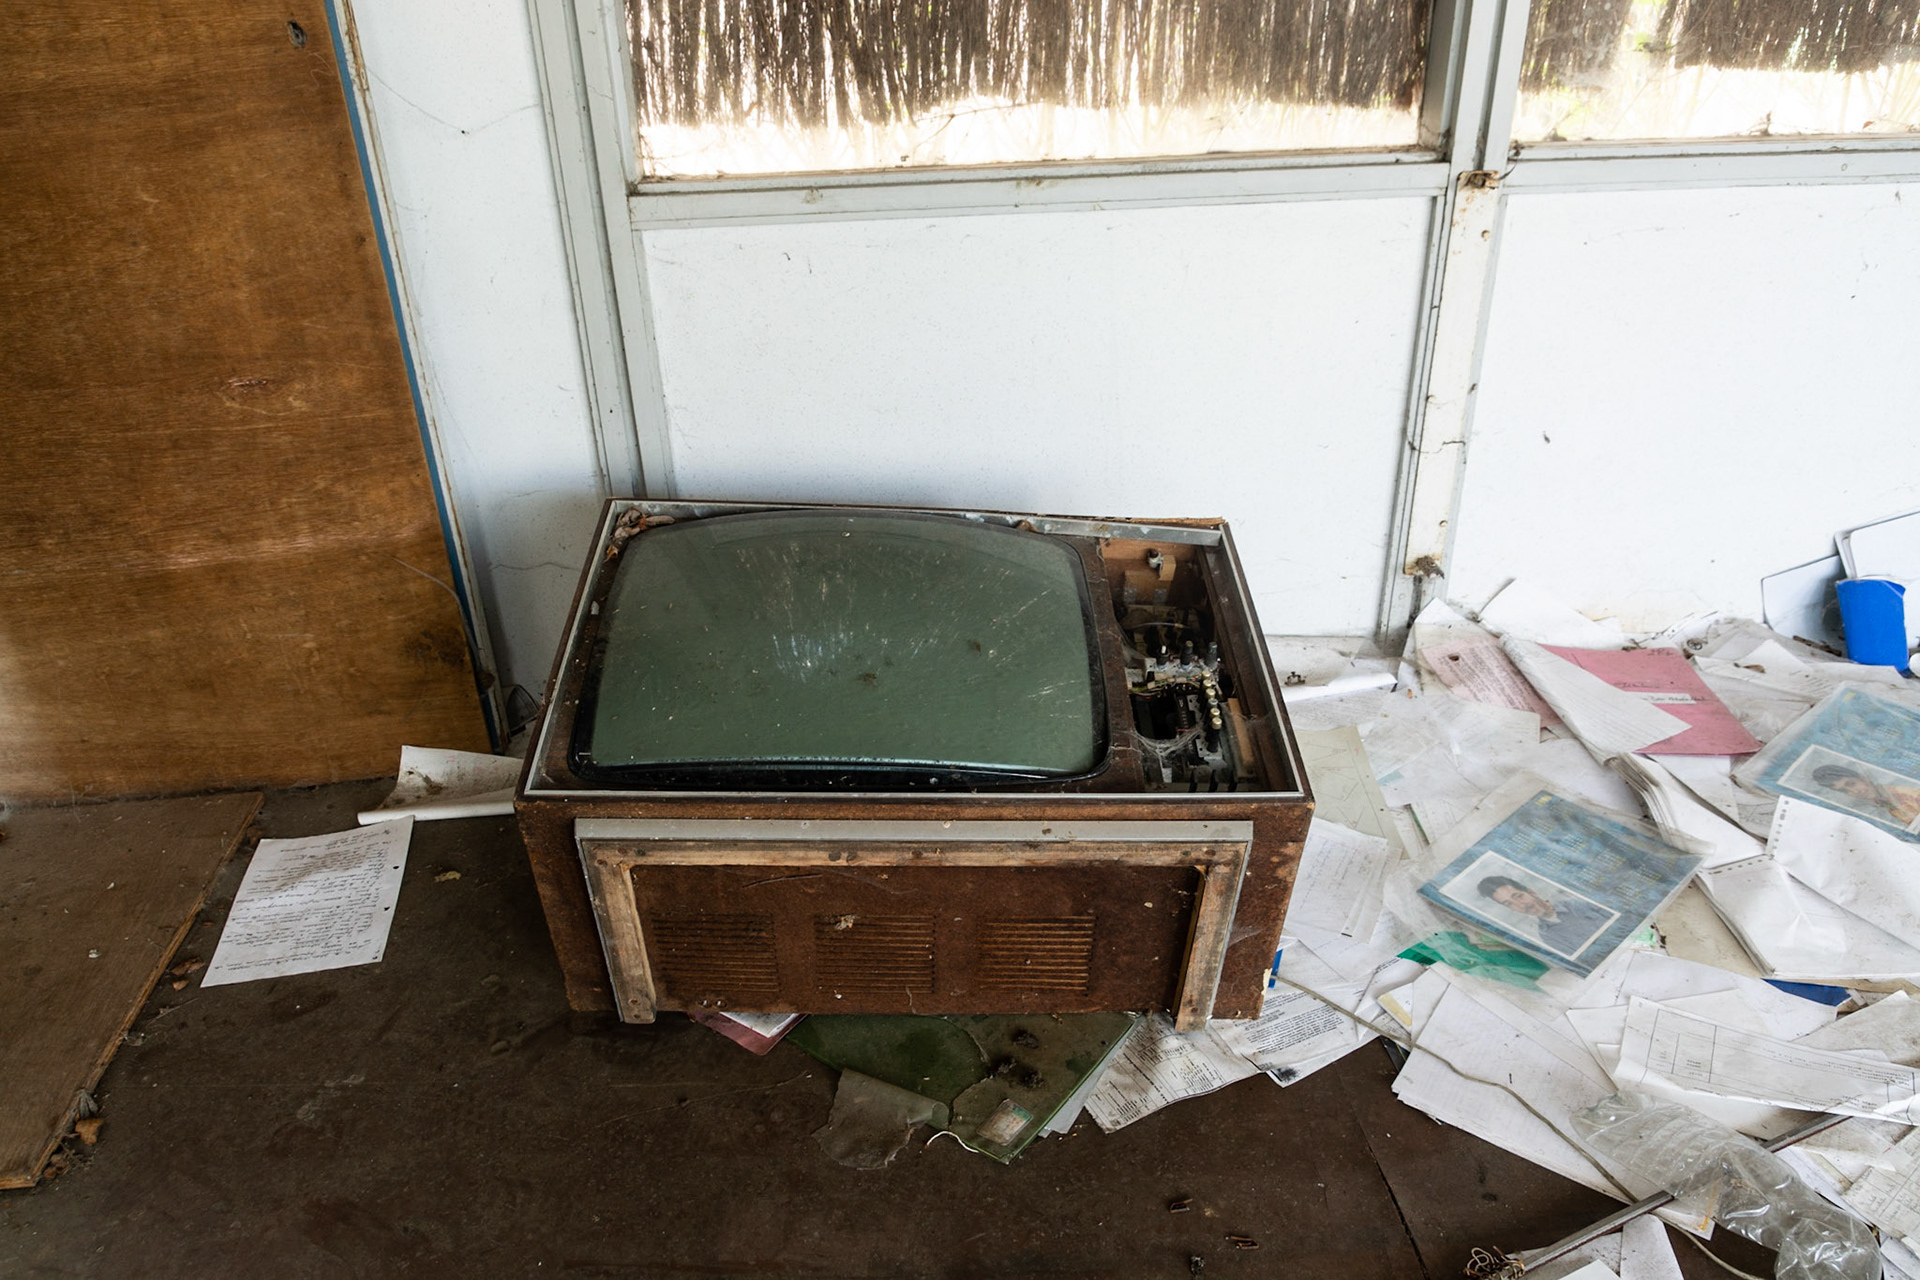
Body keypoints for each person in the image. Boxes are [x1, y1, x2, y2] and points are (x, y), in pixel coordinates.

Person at [1476, 875, 1612, 957]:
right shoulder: (1548, 937)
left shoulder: (1578, 903)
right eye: (1509, 904)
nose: (1521, 905)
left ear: (1531, 892)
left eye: (1518, 896)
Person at [1808, 763, 1920, 827]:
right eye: (1844, 790)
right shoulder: (1879, 805)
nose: (1855, 791)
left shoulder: (1902, 795)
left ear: (1864, 778)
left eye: (1852, 784)